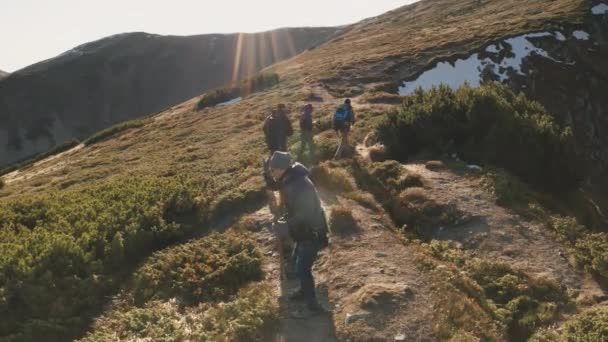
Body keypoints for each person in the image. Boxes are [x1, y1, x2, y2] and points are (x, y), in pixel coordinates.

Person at [266, 151, 329, 313]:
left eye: (273, 170)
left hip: (312, 230)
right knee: (296, 261)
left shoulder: (300, 185)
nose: (271, 173)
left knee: (303, 268)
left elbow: (305, 213)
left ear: (282, 168)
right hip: (302, 231)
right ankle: (303, 291)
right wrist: (284, 218)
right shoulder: (289, 179)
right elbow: (292, 207)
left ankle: (313, 305)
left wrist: (285, 225)